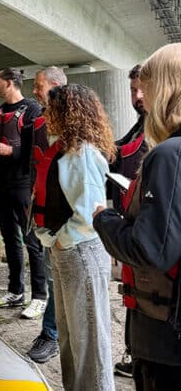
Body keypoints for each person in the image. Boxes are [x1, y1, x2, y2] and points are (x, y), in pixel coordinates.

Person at [95, 46, 181, 390]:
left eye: (148, 86)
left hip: (166, 342)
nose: (140, 96)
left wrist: (106, 218)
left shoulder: (169, 155)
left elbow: (152, 249)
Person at [34, 84, 115, 391]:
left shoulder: (82, 154)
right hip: (66, 251)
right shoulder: (63, 150)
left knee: (90, 343)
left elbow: (88, 216)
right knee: (71, 339)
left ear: (67, 113)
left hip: (81, 251)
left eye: (50, 109)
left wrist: (59, 241)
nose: (45, 114)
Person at [0, 68, 47, 311]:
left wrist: (11, 151)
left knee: (32, 241)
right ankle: (15, 292)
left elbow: (36, 148)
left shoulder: (31, 110)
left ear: (9, 83)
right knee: (10, 239)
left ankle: (39, 297)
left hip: (23, 184)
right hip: (2, 185)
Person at [24, 66, 68, 363]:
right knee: (54, 279)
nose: (34, 90)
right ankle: (54, 333)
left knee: (57, 281)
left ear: (54, 86)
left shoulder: (73, 125)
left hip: (64, 223)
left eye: (38, 85)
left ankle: (51, 335)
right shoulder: (44, 120)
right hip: (45, 216)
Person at [107, 64, 148, 378]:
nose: (137, 97)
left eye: (142, 89)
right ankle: (135, 354)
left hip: (149, 236)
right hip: (132, 227)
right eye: (132, 90)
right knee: (133, 298)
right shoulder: (140, 127)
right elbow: (121, 149)